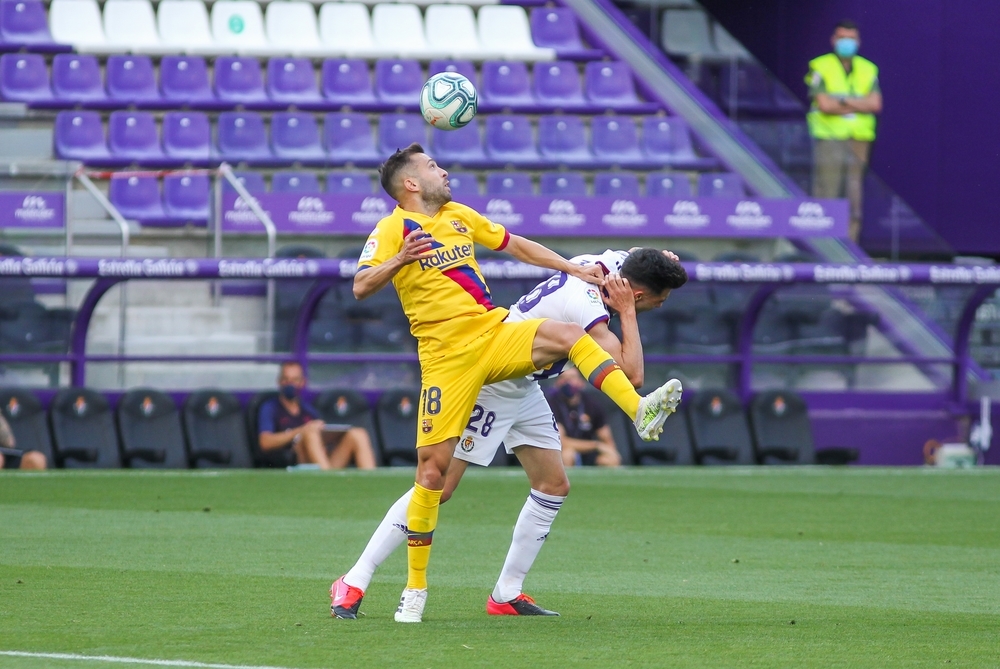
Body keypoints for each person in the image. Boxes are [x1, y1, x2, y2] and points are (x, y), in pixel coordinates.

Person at [335, 173, 685, 624]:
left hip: (525, 381)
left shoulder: (607, 263)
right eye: (657, 301)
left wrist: (664, 261)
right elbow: (632, 373)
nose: (659, 305)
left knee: (553, 484)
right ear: (636, 293)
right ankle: (355, 578)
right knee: (437, 487)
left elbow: (637, 258)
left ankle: (506, 593)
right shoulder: (589, 304)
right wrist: (630, 314)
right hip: (493, 377)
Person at [806, 19, 882, 242]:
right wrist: (859, 103)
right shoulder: (820, 66)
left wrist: (841, 101)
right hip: (829, 138)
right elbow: (825, 105)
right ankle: (823, 245)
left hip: (859, 139)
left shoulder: (868, 69)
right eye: (842, 38)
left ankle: (850, 247)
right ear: (833, 40)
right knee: (827, 192)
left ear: (858, 41)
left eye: (851, 38)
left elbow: (876, 104)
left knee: (854, 194)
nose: (846, 42)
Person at [258, 361, 376, 470]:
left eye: (295, 380)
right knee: (310, 433)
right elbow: (265, 442)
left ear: (302, 382)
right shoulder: (270, 408)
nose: (290, 384)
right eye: (286, 379)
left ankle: (371, 482)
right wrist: (301, 431)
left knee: (358, 434)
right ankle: (327, 479)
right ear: (279, 381)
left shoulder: (309, 411)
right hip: (294, 463)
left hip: (321, 461)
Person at [548, 368, 620, 468]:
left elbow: (607, 440)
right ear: (556, 383)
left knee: (611, 458)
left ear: (581, 382)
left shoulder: (592, 404)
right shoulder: (551, 405)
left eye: (572, 377)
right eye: (563, 378)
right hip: (566, 451)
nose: (567, 382)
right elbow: (562, 442)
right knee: (568, 454)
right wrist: (595, 445)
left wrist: (611, 453)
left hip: (590, 454)